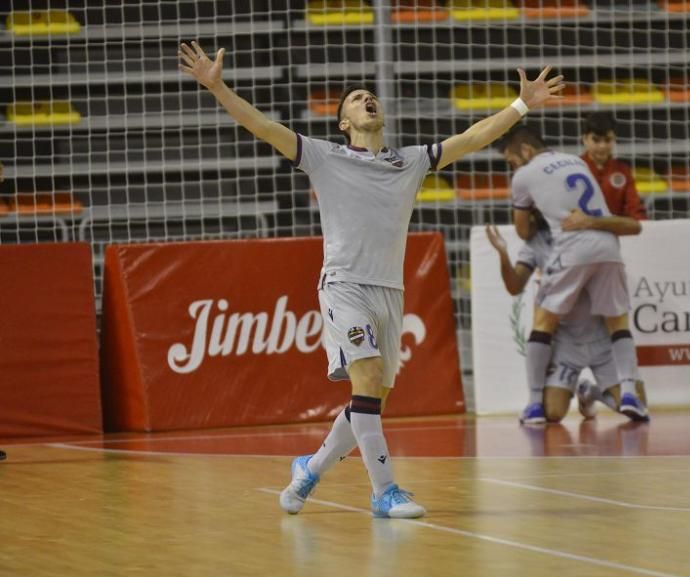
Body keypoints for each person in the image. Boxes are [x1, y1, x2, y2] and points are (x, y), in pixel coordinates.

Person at [178, 41, 563, 518]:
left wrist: (521, 103)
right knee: (368, 380)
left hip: (390, 291)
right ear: (344, 123)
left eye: (369, 96)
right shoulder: (323, 157)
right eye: (356, 99)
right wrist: (218, 88)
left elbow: (472, 137)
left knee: (371, 397)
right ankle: (385, 491)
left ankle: (311, 468)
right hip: (345, 284)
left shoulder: (410, 162)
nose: (367, 100)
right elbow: (262, 126)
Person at [501, 125, 648, 425]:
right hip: (607, 244)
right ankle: (629, 392)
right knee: (618, 319)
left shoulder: (523, 176)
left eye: (511, 160)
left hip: (573, 246)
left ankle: (532, 404)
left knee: (543, 320)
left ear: (526, 151)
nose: (513, 166)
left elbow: (522, 229)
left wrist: (528, 211)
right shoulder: (576, 161)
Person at [483, 222, 647, 423]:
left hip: (602, 338)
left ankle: (590, 392)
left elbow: (632, 227)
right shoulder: (537, 242)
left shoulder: (594, 236)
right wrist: (503, 254)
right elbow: (514, 286)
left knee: (637, 408)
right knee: (552, 412)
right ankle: (538, 399)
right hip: (567, 343)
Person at [580, 112, 646, 221]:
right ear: (585, 140)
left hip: (616, 232)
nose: (602, 146)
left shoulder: (623, 170)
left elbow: (634, 209)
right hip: (583, 233)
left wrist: (642, 228)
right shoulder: (573, 168)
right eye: (596, 140)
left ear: (614, 139)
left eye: (607, 140)